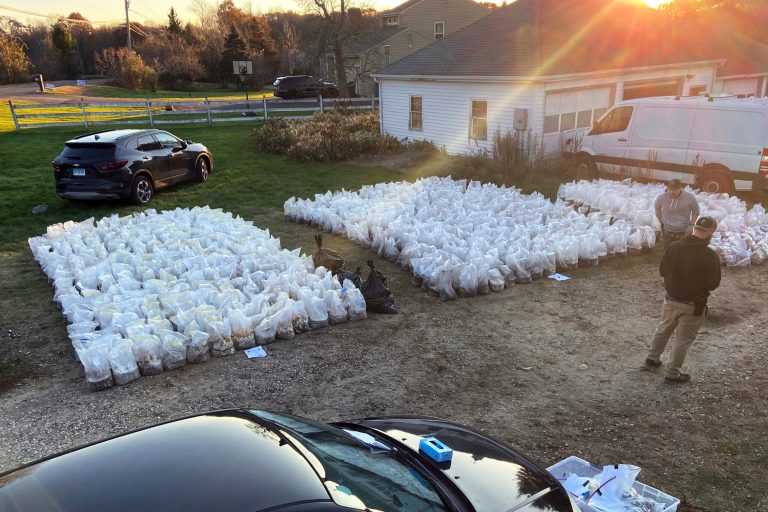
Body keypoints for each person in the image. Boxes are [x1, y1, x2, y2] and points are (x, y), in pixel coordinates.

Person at [645, 216, 721, 383]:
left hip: (671, 300)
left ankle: (652, 357)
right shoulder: (710, 255)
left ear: (694, 228)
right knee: (683, 339)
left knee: (663, 329)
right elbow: (713, 284)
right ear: (711, 232)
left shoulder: (674, 247)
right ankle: (673, 373)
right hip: (693, 305)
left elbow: (663, 271)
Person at [654, 179, 699, 249]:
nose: (671, 192)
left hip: (684, 232)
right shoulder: (662, 197)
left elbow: (696, 211)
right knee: (668, 252)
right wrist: (661, 220)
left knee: (683, 253)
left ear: (680, 189)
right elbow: (657, 207)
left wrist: (692, 224)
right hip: (667, 231)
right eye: (670, 190)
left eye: (674, 190)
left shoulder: (690, 197)